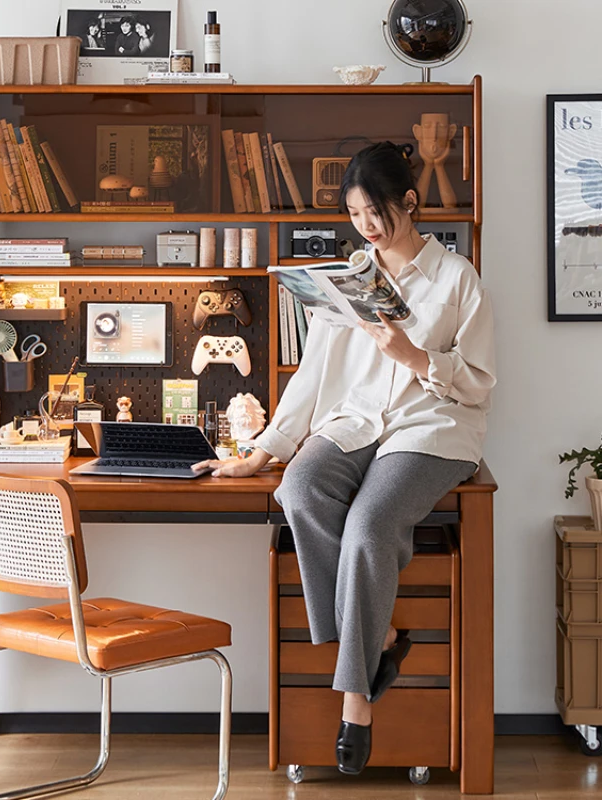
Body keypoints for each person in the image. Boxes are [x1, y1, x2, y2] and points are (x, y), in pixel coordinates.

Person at [193, 141, 495, 776]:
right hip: (355, 421)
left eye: (378, 212)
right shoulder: (353, 277)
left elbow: (480, 382)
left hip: (429, 427)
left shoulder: (457, 279)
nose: (369, 227)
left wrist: (414, 356)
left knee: (369, 525)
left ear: (409, 202)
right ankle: (378, 638)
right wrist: (262, 451)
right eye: (357, 215)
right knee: (297, 492)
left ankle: (356, 700)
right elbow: (312, 373)